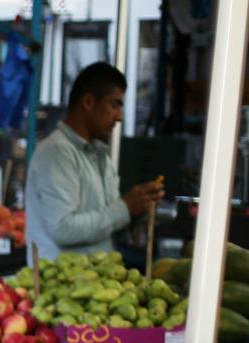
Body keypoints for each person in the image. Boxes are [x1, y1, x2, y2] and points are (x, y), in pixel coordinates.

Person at [25, 62, 164, 260]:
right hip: (60, 285)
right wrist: (125, 208)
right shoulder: (56, 152)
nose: (119, 117)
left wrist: (137, 210)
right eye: (114, 105)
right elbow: (62, 229)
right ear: (89, 102)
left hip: (96, 281)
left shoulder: (100, 157)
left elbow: (108, 224)